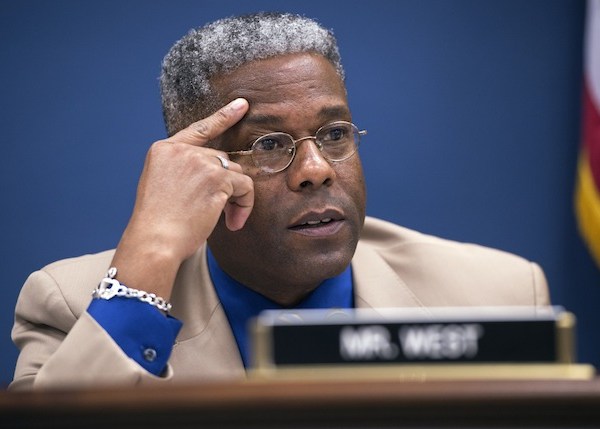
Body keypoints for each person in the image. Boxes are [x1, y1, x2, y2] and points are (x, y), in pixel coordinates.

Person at [10, 12, 549, 391]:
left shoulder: (497, 295)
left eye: (334, 134)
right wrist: (151, 250)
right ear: (197, 167)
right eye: (269, 145)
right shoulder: (71, 307)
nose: (316, 170)